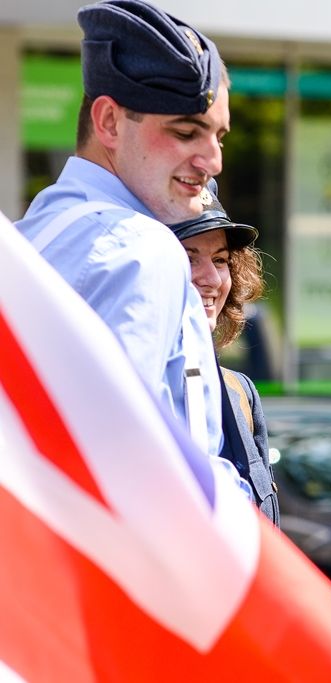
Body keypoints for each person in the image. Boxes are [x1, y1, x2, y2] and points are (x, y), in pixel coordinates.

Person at [15, 1, 236, 481]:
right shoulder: (141, 248)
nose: (213, 161)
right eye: (186, 131)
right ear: (110, 122)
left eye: (219, 136)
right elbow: (128, 471)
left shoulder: (29, 236)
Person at [170, 182, 280, 525]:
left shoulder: (240, 391)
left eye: (220, 260)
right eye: (189, 258)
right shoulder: (128, 384)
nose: (212, 279)